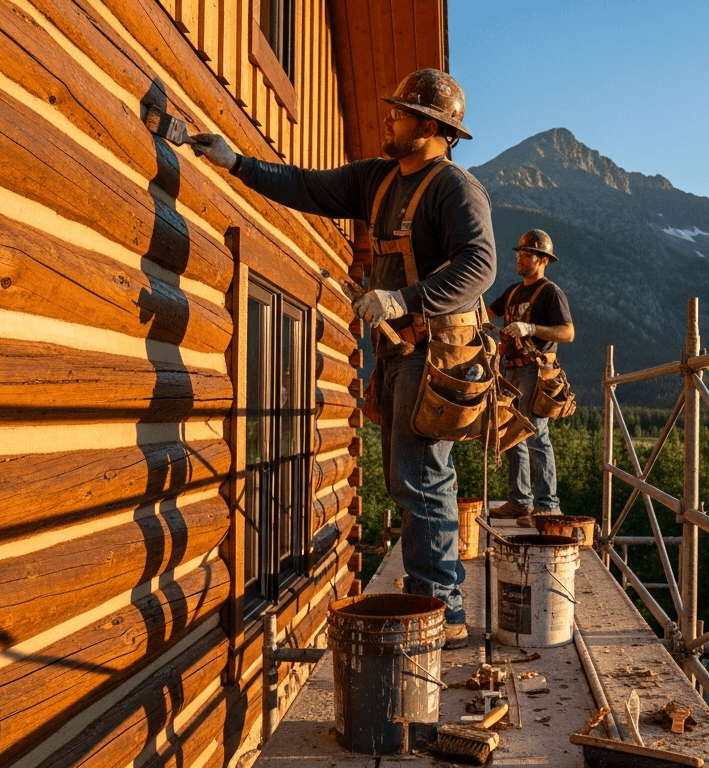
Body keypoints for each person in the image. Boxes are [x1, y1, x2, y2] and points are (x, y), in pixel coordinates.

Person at [188, 69, 494, 649]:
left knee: (421, 478)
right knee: (411, 478)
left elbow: (480, 266)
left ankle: (444, 610)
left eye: (402, 113)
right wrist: (236, 163)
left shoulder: (455, 189)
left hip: (438, 356)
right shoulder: (378, 180)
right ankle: (437, 595)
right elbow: (306, 186)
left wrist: (403, 298)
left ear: (428, 125)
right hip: (401, 351)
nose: (391, 118)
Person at [487, 230, 574, 527]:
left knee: (536, 436)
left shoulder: (550, 292)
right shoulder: (512, 292)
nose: (519, 258)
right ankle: (520, 502)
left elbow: (567, 332)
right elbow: (487, 312)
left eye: (526, 254)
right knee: (511, 434)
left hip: (536, 372)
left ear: (542, 259)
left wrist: (530, 329)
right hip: (510, 369)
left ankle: (548, 506)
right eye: (519, 253)